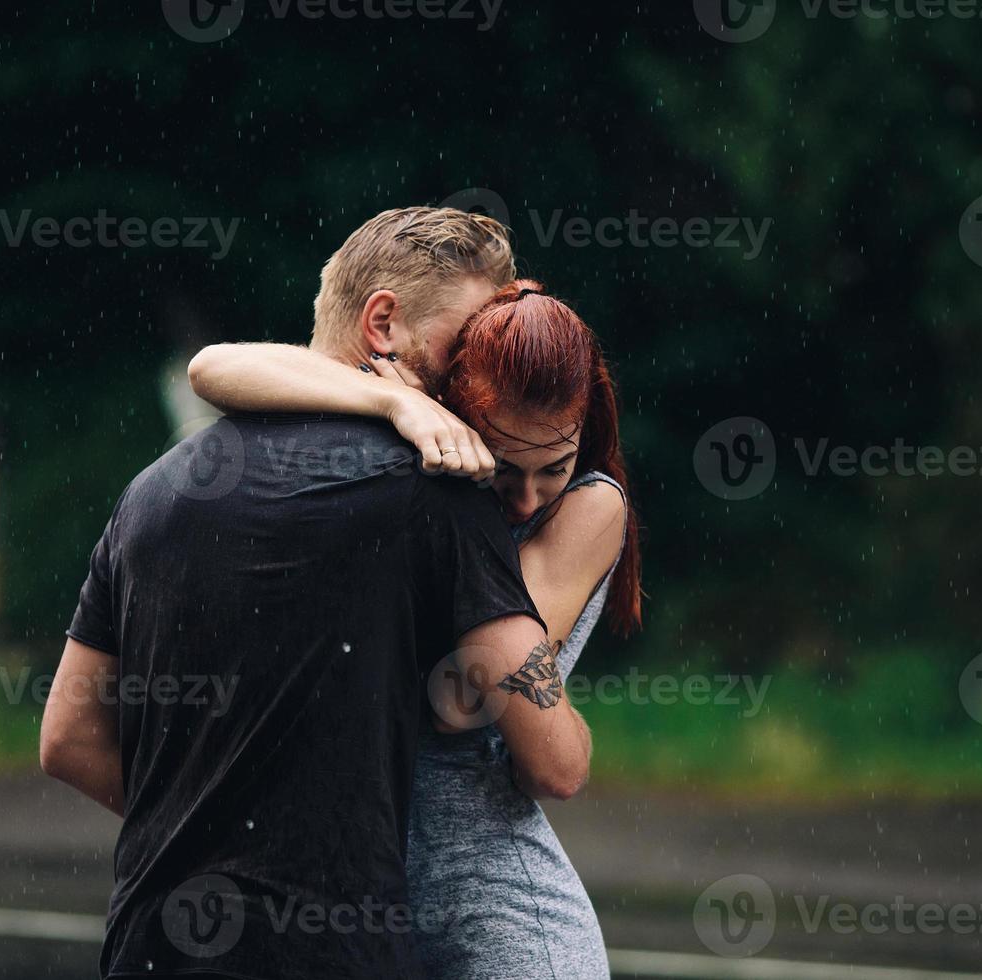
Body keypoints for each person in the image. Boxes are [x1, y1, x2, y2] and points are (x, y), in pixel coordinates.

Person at [39, 208, 593, 980]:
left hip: (153, 942)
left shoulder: (153, 492)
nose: (481, 374)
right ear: (383, 324)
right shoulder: (440, 492)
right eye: (465, 345)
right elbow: (554, 761)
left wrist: (213, 840)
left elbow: (67, 738)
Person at [186, 275, 643, 979]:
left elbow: (458, 702)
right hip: (372, 908)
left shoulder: (589, 509)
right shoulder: (423, 453)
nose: (525, 499)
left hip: (504, 919)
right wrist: (392, 399)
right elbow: (212, 368)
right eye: (504, 469)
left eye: (553, 466)